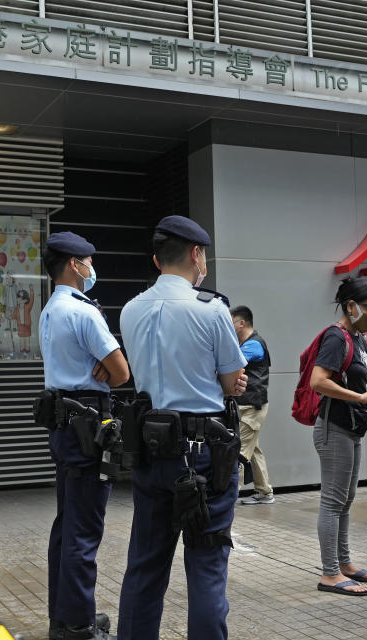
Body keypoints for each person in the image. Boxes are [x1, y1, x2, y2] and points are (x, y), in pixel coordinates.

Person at [117, 216, 247, 640]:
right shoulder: (212, 311)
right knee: (207, 567)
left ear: (157, 260)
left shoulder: (131, 309)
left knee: (145, 566)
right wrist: (225, 379)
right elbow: (232, 383)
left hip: (151, 450)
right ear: (196, 255)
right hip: (203, 454)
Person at [39, 231, 130, 640]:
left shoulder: (50, 310)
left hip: (65, 425)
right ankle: (78, 626)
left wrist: (104, 366)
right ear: (75, 264)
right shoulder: (83, 311)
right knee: (83, 531)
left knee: (67, 525)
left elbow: (107, 366)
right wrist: (107, 367)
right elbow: (122, 372)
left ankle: (65, 616)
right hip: (88, 425)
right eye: (89, 261)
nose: (92, 267)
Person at [308, 276, 367, 596]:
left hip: (353, 430)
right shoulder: (337, 338)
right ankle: (329, 573)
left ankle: (344, 562)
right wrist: (359, 398)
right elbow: (317, 381)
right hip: (334, 428)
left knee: (347, 500)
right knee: (333, 501)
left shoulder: (361, 338)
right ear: (351, 306)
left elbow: (365, 381)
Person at [230, 305, 274, 505]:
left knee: (237, 451)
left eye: (231, 322)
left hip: (251, 407)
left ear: (241, 323)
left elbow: (233, 364)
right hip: (246, 406)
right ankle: (265, 492)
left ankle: (228, 497)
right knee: (253, 449)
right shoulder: (245, 343)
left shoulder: (253, 345)